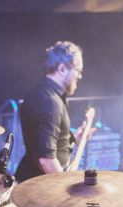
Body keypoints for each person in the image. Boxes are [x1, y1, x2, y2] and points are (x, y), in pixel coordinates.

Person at [15, 41, 92, 182]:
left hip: (34, 181)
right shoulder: (50, 102)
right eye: (78, 71)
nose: (80, 76)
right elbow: (47, 160)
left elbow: (47, 143)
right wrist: (65, 188)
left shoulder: (41, 94)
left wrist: (75, 138)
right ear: (62, 69)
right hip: (41, 188)